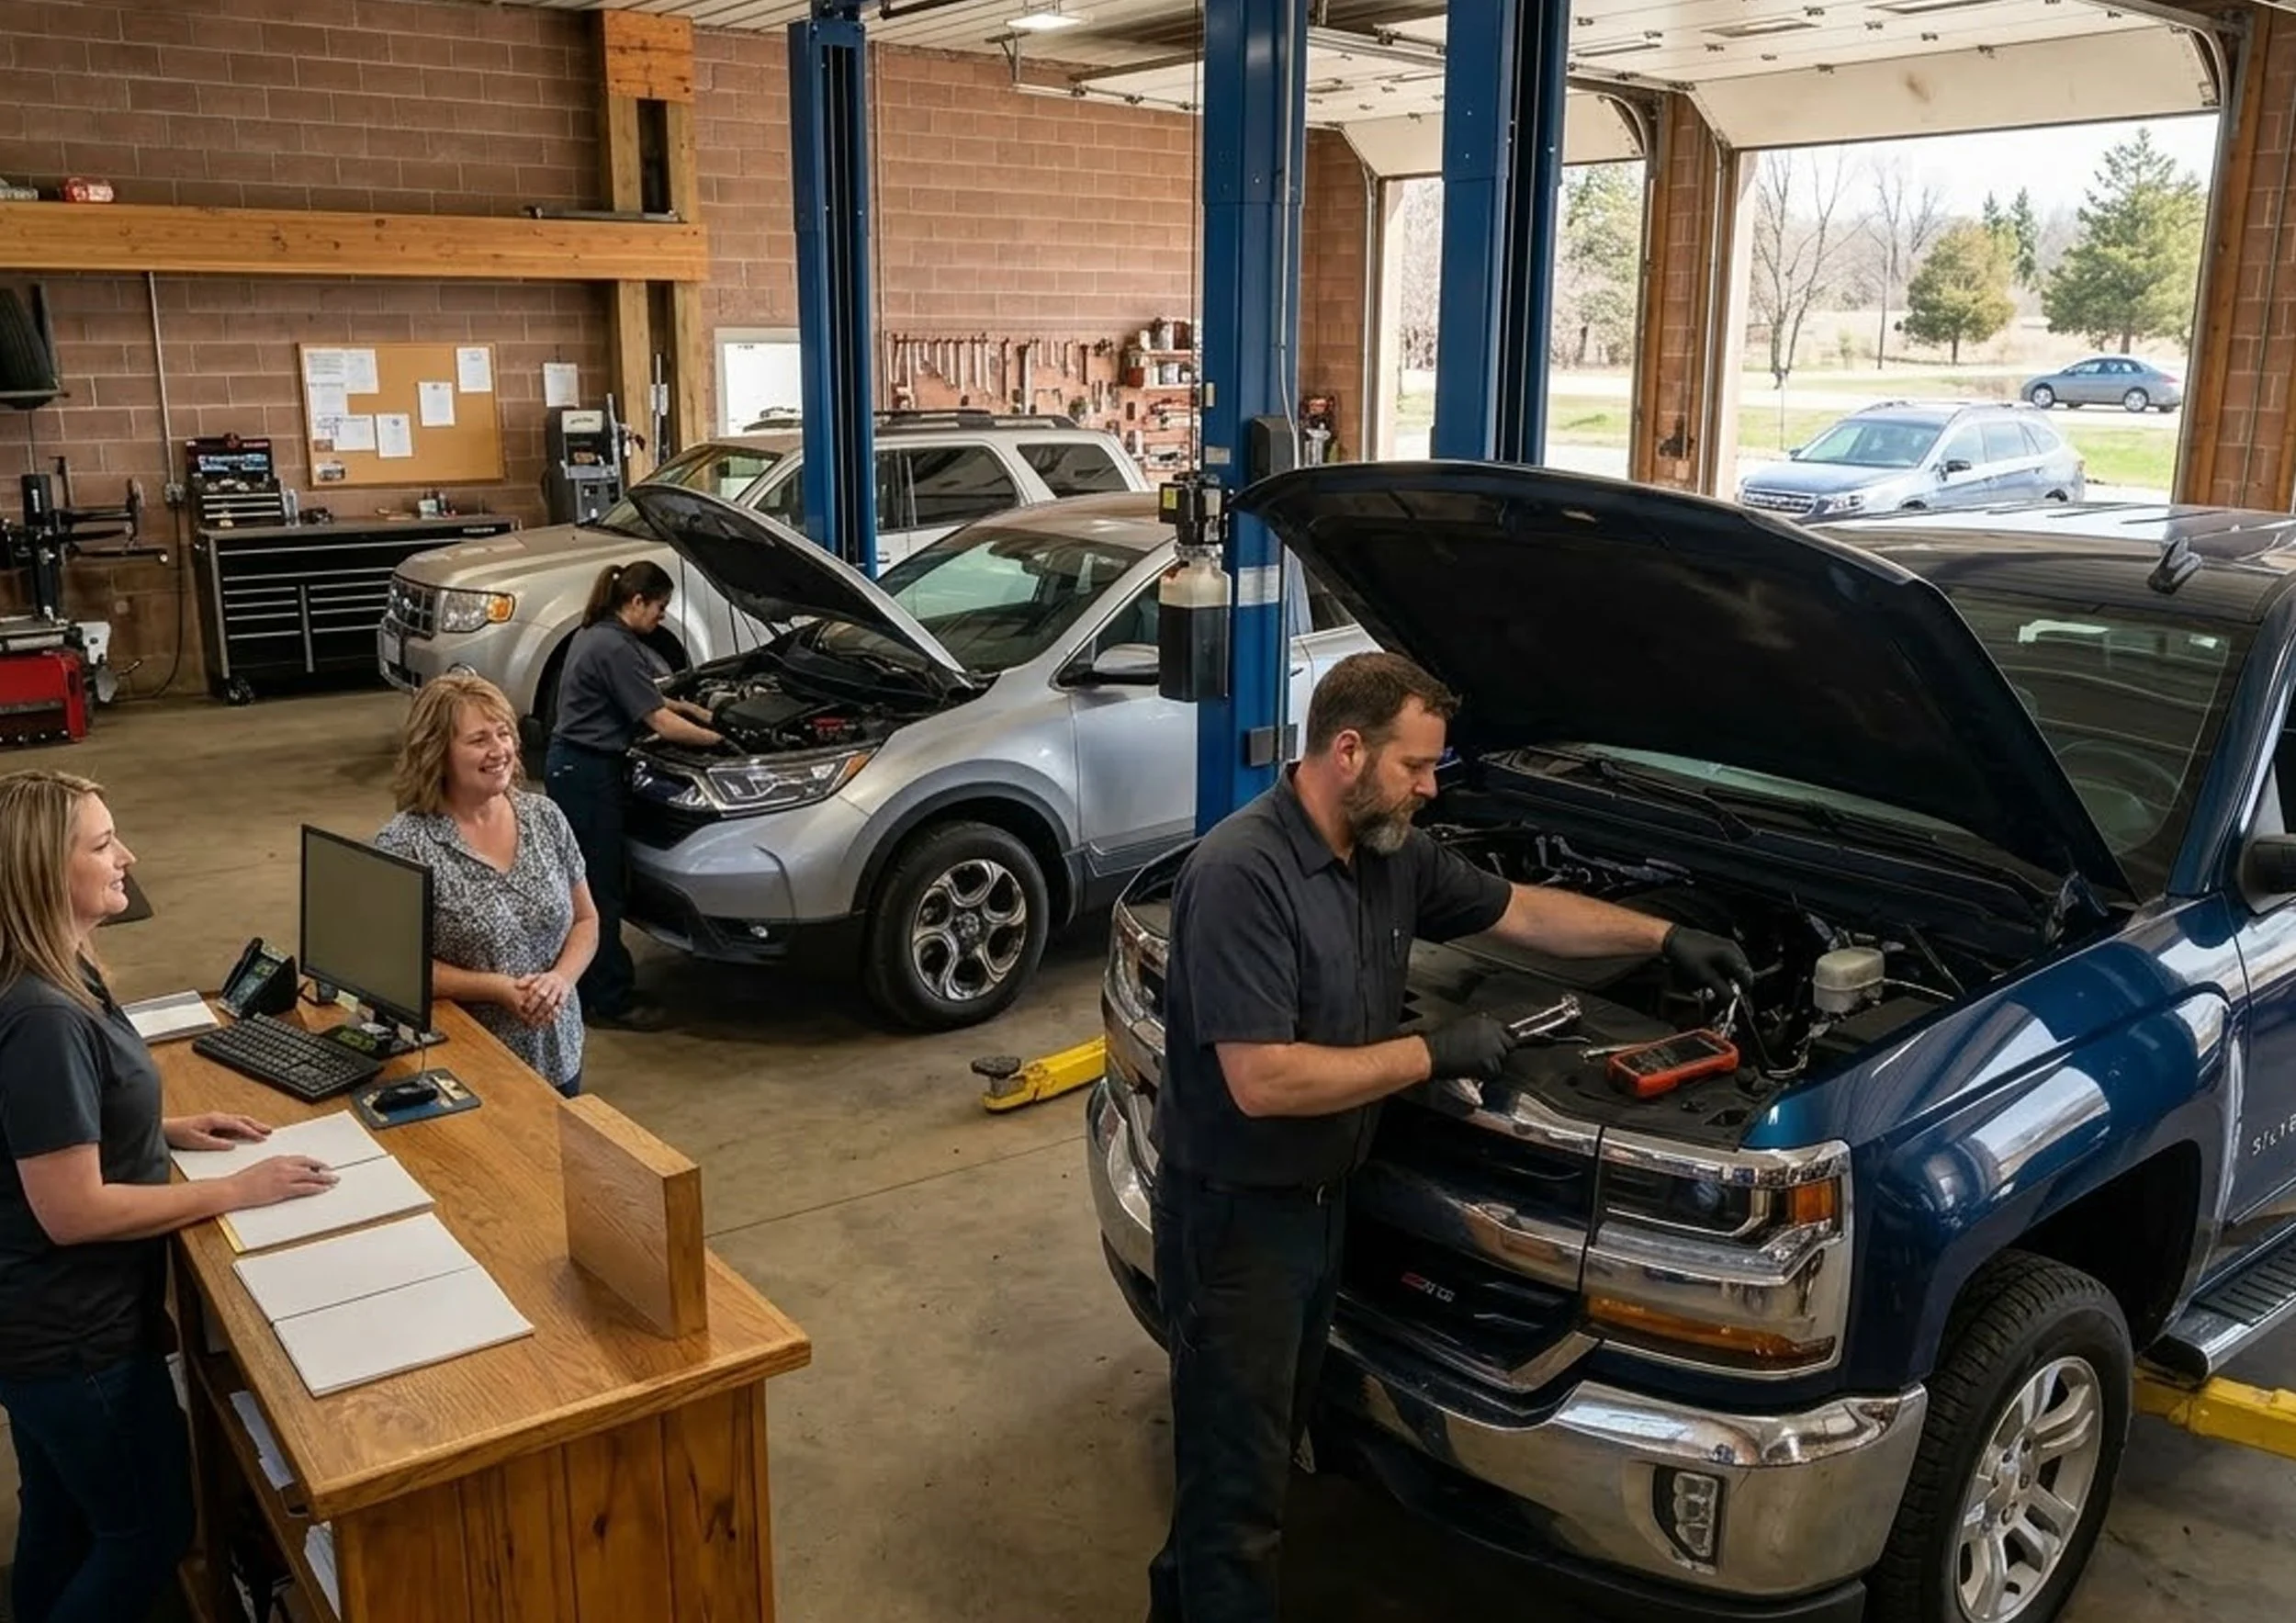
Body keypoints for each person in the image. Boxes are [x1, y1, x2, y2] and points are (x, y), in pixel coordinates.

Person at [1145, 652, 1752, 1623]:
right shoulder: (1242, 874)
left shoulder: (1387, 853)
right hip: (1236, 1226)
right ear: (1346, 751)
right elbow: (1263, 1080)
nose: (1430, 789)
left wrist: (1659, 937)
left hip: (1320, 1209)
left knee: (1263, 1454)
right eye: (1415, 767)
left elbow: (1520, 914)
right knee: (1236, 1495)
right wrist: (1433, 1053)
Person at [0, 770, 336, 1623]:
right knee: (148, 1532)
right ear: (45, 869)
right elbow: (70, 1210)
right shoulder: (42, 1017)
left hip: (39, 1335)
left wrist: (168, 1129)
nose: (129, 857)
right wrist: (233, 1192)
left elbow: (59, 1129)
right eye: (104, 844)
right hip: (75, 1340)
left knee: (62, 1511)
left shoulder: (59, 967)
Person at [377, 673, 599, 1097]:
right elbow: (397, 970)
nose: (499, 751)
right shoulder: (405, 844)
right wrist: (495, 989)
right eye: (479, 740)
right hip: (465, 1066)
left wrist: (561, 981)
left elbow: (586, 920)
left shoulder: (544, 816)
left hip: (558, 1051)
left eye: (504, 734)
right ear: (437, 752)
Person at [546, 560, 723, 1031]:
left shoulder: (599, 634)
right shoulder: (613, 646)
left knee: (597, 882)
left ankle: (594, 987)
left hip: (577, 766)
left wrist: (685, 705)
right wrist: (721, 740)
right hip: (585, 773)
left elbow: (646, 697)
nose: (662, 618)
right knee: (598, 890)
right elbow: (659, 724)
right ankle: (609, 999)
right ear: (637, 601)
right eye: (660, 608)